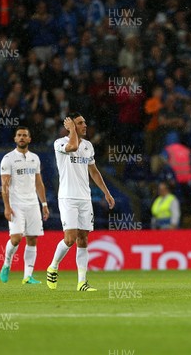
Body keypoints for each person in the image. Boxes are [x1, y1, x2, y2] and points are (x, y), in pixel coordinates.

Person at [47, 113, 115, 291]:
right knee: (70, 239)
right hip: (68, 197)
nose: (85, 125)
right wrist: (71, 131)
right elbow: (72, 145)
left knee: (83, 239)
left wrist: (106, 192)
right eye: (80, 123)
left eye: (85, 122)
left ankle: (82, 282)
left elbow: (93, 171)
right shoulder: (60, 143)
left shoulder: (88, 146)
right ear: (71, 126)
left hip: (85, 198)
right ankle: (53, 266)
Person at [0, 126, 50, 285]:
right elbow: (5, 185)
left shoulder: (35, 158)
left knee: (32, 238)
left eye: (24, 135)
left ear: (29, 139)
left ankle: (28, 276)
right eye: (19, 135)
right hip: (16, 204)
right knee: (16, 238)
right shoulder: (8, 159)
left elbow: (39, 183)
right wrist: (7, 206)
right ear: (15, 139)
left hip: (33, 203)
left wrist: (44, 204)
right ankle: (7, 263)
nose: (21, 137)